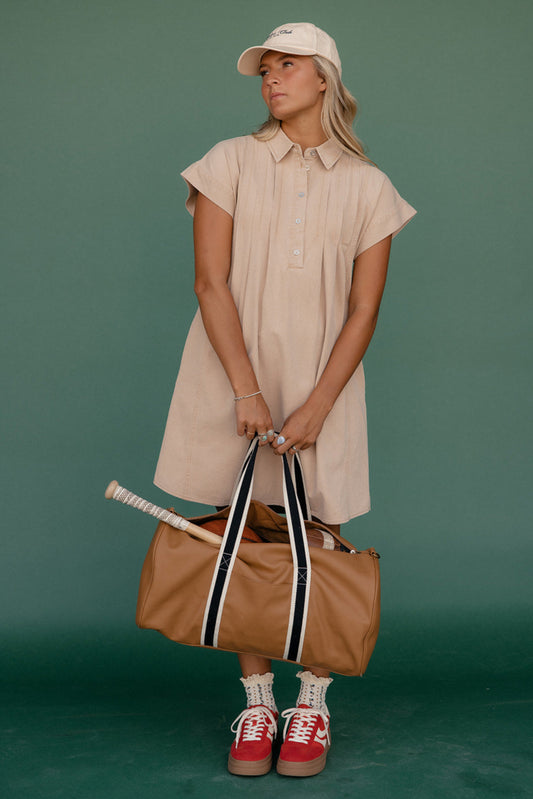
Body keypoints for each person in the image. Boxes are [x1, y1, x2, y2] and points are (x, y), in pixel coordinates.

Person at [154, 22, 416, 777]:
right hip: (236, 375)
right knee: (250, 539)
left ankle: (312, 701)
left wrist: (317, 405)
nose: (270, 78)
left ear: (325, 78)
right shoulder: (229, 160)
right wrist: (245, 387)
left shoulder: (370, 187)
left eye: (287, 65)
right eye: (264, 69)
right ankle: (258, 697)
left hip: (323, 385)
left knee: (321, 533)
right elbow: (210, 282)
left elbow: (363, 310)